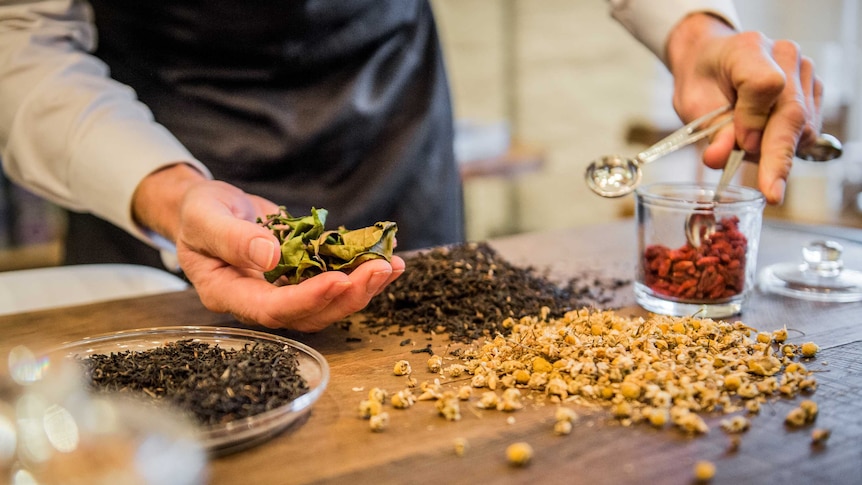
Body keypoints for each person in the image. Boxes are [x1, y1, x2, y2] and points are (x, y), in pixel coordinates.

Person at [0, 1, 827, 331]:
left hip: (389, 120)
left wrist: (693, 30)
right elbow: (21, 40)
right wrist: (173, 196)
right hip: (147, 152)